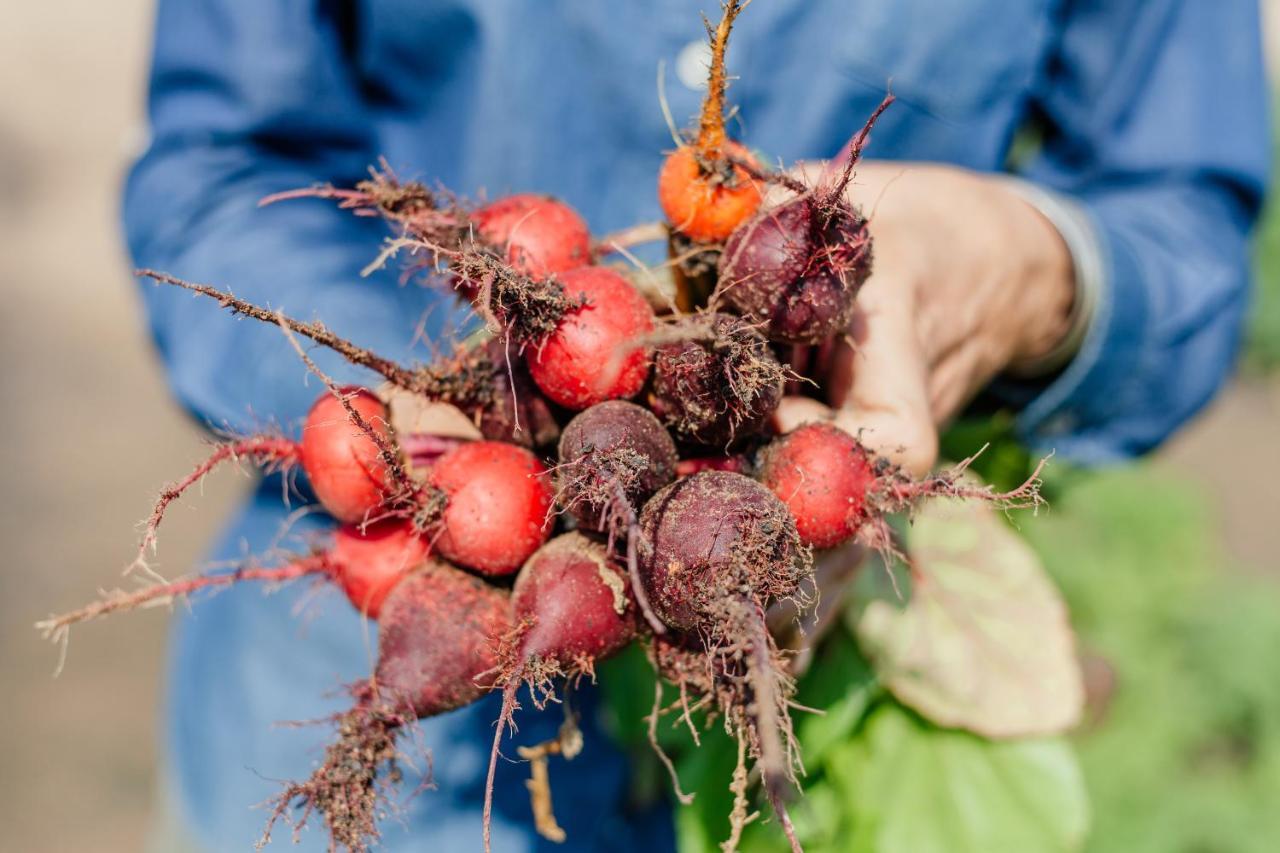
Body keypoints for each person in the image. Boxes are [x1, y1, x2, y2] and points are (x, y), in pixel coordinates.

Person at [124, 1, 1269, 850]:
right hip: (378, 667)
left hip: (830, 669)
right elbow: (222, 170)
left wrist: (1023, 268)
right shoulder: (494, 445)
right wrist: (419, 402)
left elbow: (1178, 225)